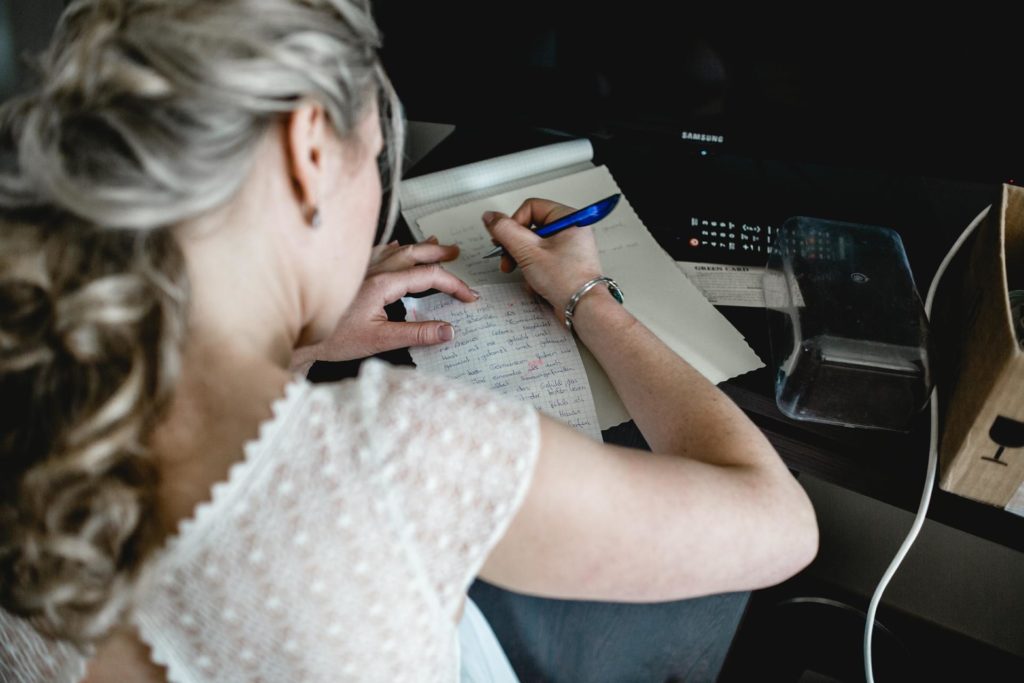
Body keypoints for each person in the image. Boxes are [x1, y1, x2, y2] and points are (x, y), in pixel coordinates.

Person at [0, 0, 818, 681]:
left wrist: (298, 349)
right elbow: (781, 523)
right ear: (308, 145)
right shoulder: (394, 453)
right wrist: (584, 295)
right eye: (374, 155)